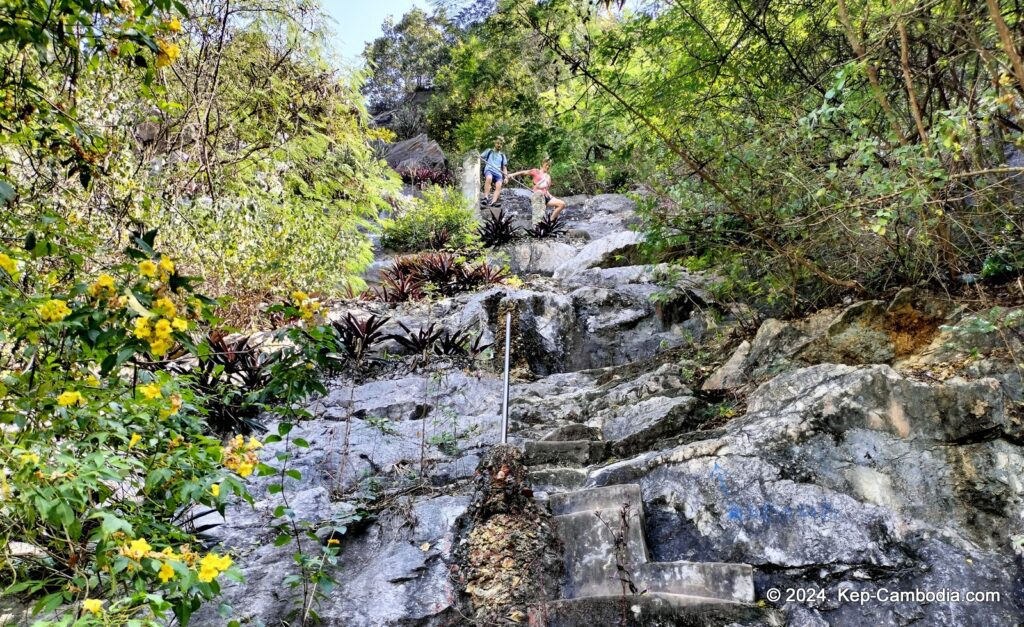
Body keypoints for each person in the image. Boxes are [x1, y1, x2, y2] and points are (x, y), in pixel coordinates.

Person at [480, 137, 509, 207]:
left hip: (498, 173)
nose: (499, 145)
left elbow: (504, 168)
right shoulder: (489, 151)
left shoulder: (502, 155)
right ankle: (485, 198)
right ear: (495, 143)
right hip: (489, 169)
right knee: (489, 178)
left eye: (501, 144)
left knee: (499, 185)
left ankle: (493, 202)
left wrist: (506, 177)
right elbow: (480, 156)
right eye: (498, 143)